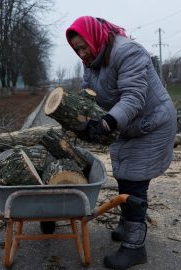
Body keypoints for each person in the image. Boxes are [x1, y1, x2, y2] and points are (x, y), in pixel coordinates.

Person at [66, 16, 177, 270]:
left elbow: (134, 97)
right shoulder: (91, 61)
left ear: (94, 36)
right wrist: (82, 119)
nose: (82, 53)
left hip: (153, 122)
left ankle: (135, 247)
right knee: (124, 172)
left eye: (84, 47)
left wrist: (106, 123)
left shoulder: (127, 52)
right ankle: (128, 224)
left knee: (135, 178)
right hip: (129, 123)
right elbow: (88, 93)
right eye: (77, 50)